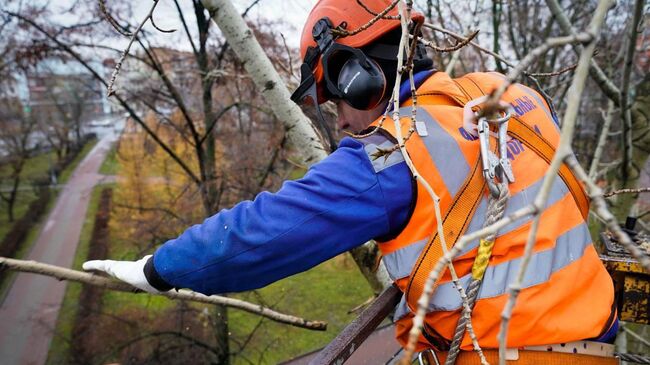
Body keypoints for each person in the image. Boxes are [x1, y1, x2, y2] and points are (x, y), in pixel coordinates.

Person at [84, 0, 618, 362]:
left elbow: (262, 233)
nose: (338, 121)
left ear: (358, 77)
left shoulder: (393, 153)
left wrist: (159, 268)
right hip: (599, 342)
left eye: (334, 98)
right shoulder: (511, 96)